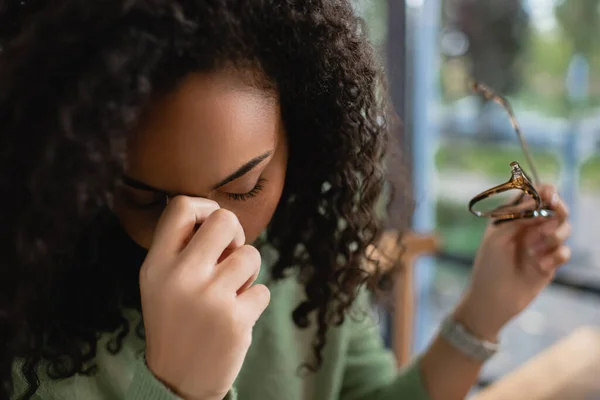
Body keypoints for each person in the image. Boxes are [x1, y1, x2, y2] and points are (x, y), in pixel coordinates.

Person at [0, 1, 571, 400]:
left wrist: (484, 311)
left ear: (302, 138)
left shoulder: (304, 254)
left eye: (244, 187)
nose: (208, 239)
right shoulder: (29, 319)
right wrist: (177, 388)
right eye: (145, 198)